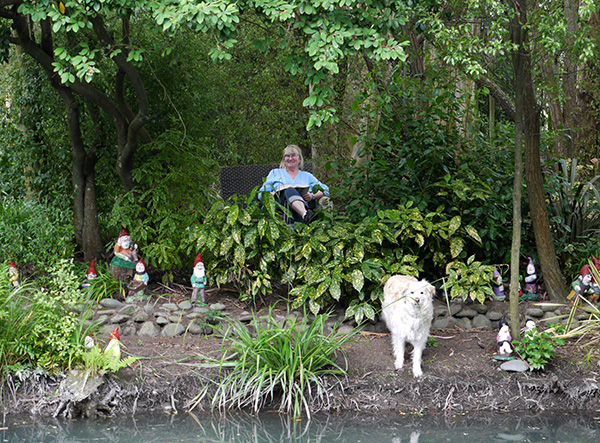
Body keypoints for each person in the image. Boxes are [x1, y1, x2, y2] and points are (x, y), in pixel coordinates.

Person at [259, 144, 330, 224]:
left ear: (299, 159)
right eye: (287, 156)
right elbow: (261, 194)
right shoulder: (275, 173)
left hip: (298, 210)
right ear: (284, 159)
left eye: (293, 156)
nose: (290, 158)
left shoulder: (307, 176)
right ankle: (306, 215)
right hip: (278, 208)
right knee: (289, 190)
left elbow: (325, 190)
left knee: (291, 198)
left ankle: (301, 218)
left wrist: (312, 196)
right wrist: (272, 194)